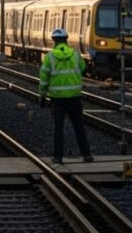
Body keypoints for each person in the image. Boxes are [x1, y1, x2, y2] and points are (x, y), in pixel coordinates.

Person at [39, 29, 93, 164]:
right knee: (79, 126)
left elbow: (44, 78)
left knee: (59, 128)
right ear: (66, 40)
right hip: (75, 97)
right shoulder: (75, 54)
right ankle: (87, 155)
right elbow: (82, 68)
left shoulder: (49, 57)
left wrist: (42, 95)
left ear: (54, 41)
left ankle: (58, 157)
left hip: (57, 99)